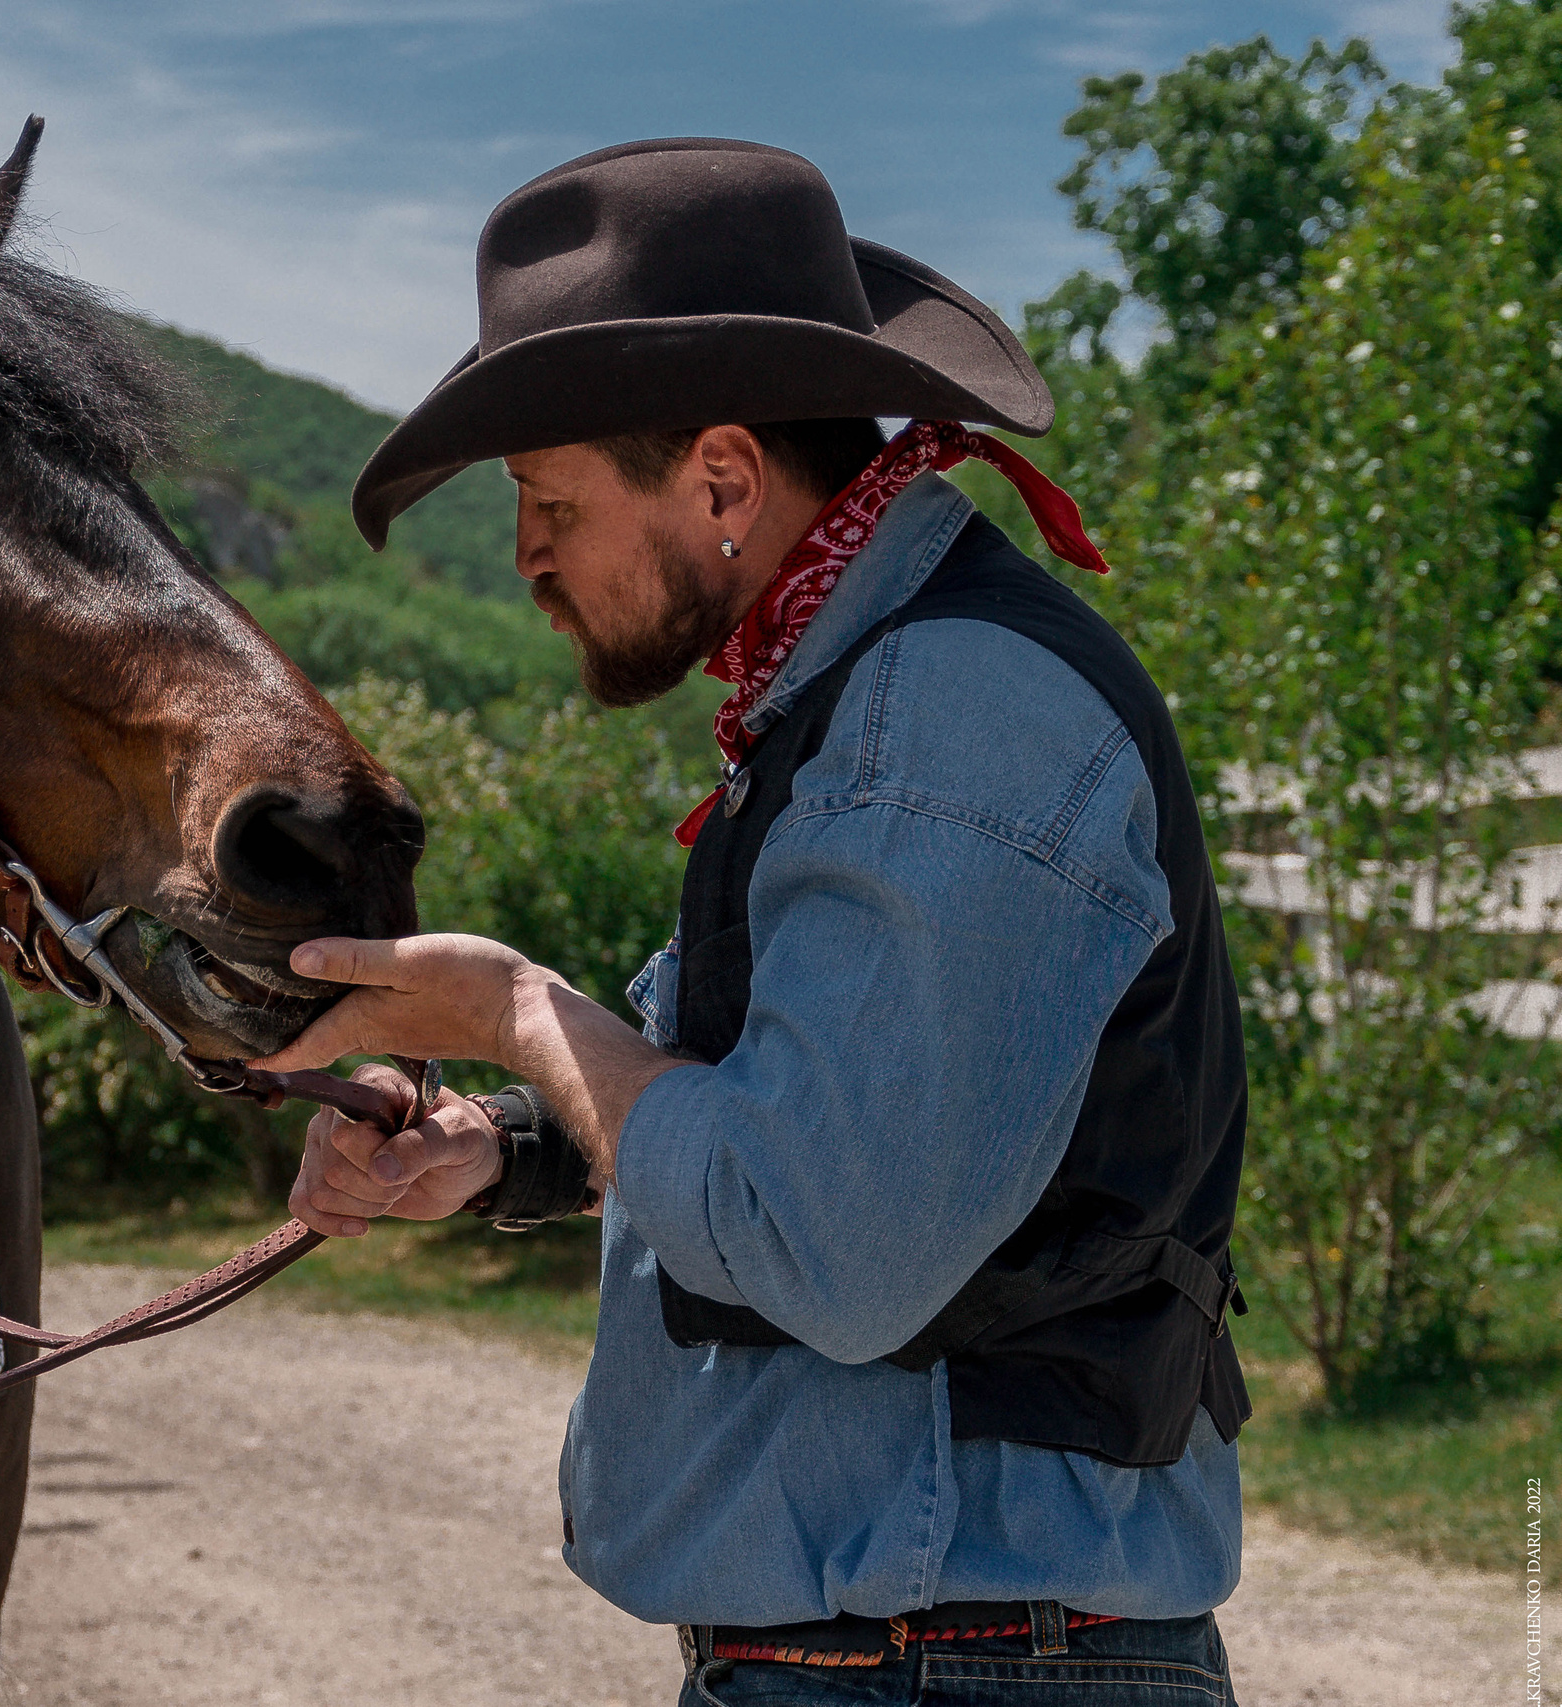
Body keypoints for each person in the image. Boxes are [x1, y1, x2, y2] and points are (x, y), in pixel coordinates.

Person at [251, 138, 1251, 1703]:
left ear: (721, 477)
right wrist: (504, 1150)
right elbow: (775, 1117)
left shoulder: (941, 714)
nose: (524, 557)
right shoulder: (868, 698)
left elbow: (823, 1239)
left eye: (546, 500)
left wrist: (520, 1012)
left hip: (949, 1667)